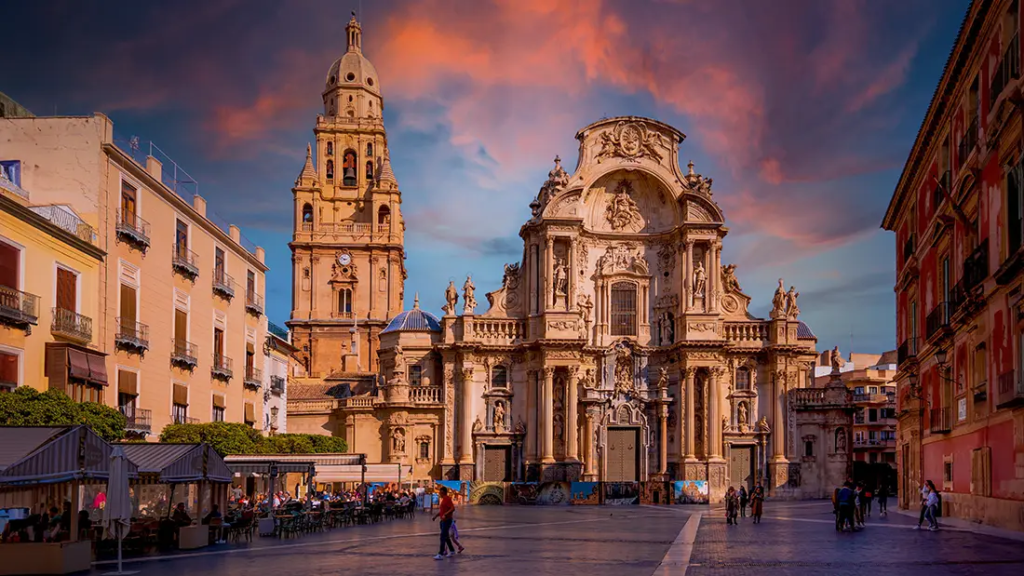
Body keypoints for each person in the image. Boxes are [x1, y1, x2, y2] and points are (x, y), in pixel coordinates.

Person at [432, 486, 456, 559]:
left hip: (447, 520)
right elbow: (442, 511)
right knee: (446, 537)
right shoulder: (443, 500)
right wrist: (436, 516)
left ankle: (441, 554)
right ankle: (452, 550)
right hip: (443, 520)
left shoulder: (447, 499)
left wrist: (446, 514)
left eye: (440, 492)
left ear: (443, 492)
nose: (439, 493)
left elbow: (453, 508)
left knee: (442, 536)